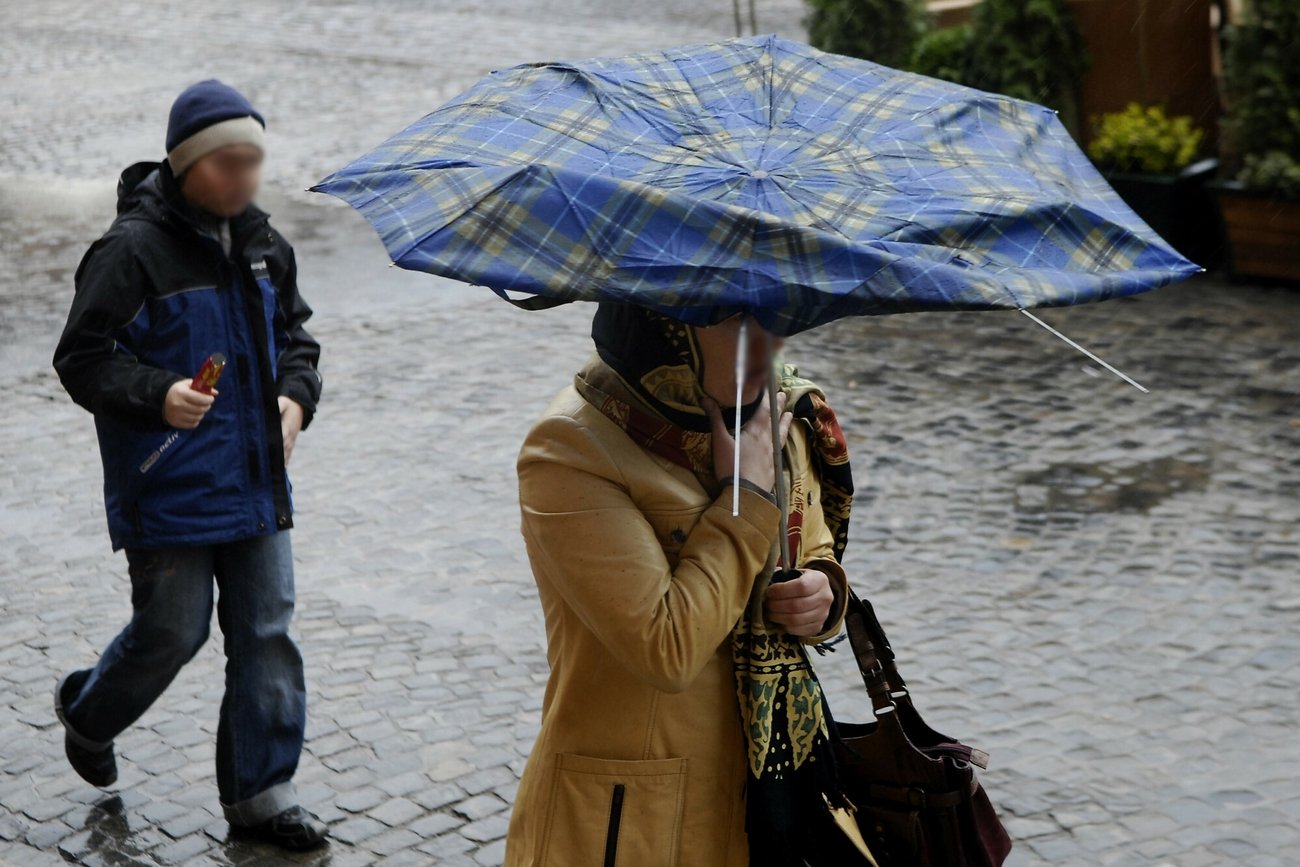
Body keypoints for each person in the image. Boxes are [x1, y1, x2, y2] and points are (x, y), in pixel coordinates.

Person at [51, 79, 327, 851]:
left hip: (255, 480)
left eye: (254, 161)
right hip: (167, 481)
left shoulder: (268, 249)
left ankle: (264, 795)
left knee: (267, 630)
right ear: (185, 164)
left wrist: (295, 401)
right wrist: (157, 394)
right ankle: (88, 714)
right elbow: (81, 359)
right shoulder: (130, 252)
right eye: (226, 163)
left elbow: (299, 341)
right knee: (173, 632)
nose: (244, 177)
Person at [504, 304, 857, 866]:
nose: (769, 337)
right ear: (666, 324)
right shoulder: (570, 449)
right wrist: (746, 498)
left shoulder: (780, 412)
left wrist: (821, 592)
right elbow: (665, 647)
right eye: (735, 319)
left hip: (772, 791)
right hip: (634, 822)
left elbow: (812, 541)